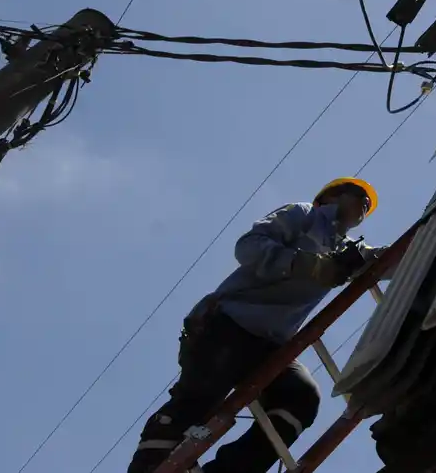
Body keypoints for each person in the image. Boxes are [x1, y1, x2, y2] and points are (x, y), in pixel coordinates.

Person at [128, 177, 387, 473]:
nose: (365, 205)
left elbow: (386, 260)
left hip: (269, 345)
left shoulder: (345, 252)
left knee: (300, 398)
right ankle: (150, 466)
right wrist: (308, 264)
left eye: (369, 204)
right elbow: (249, 247)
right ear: (332, 196)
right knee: (198, 402)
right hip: (230, 323)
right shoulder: (303, 215)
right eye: (359, 196)